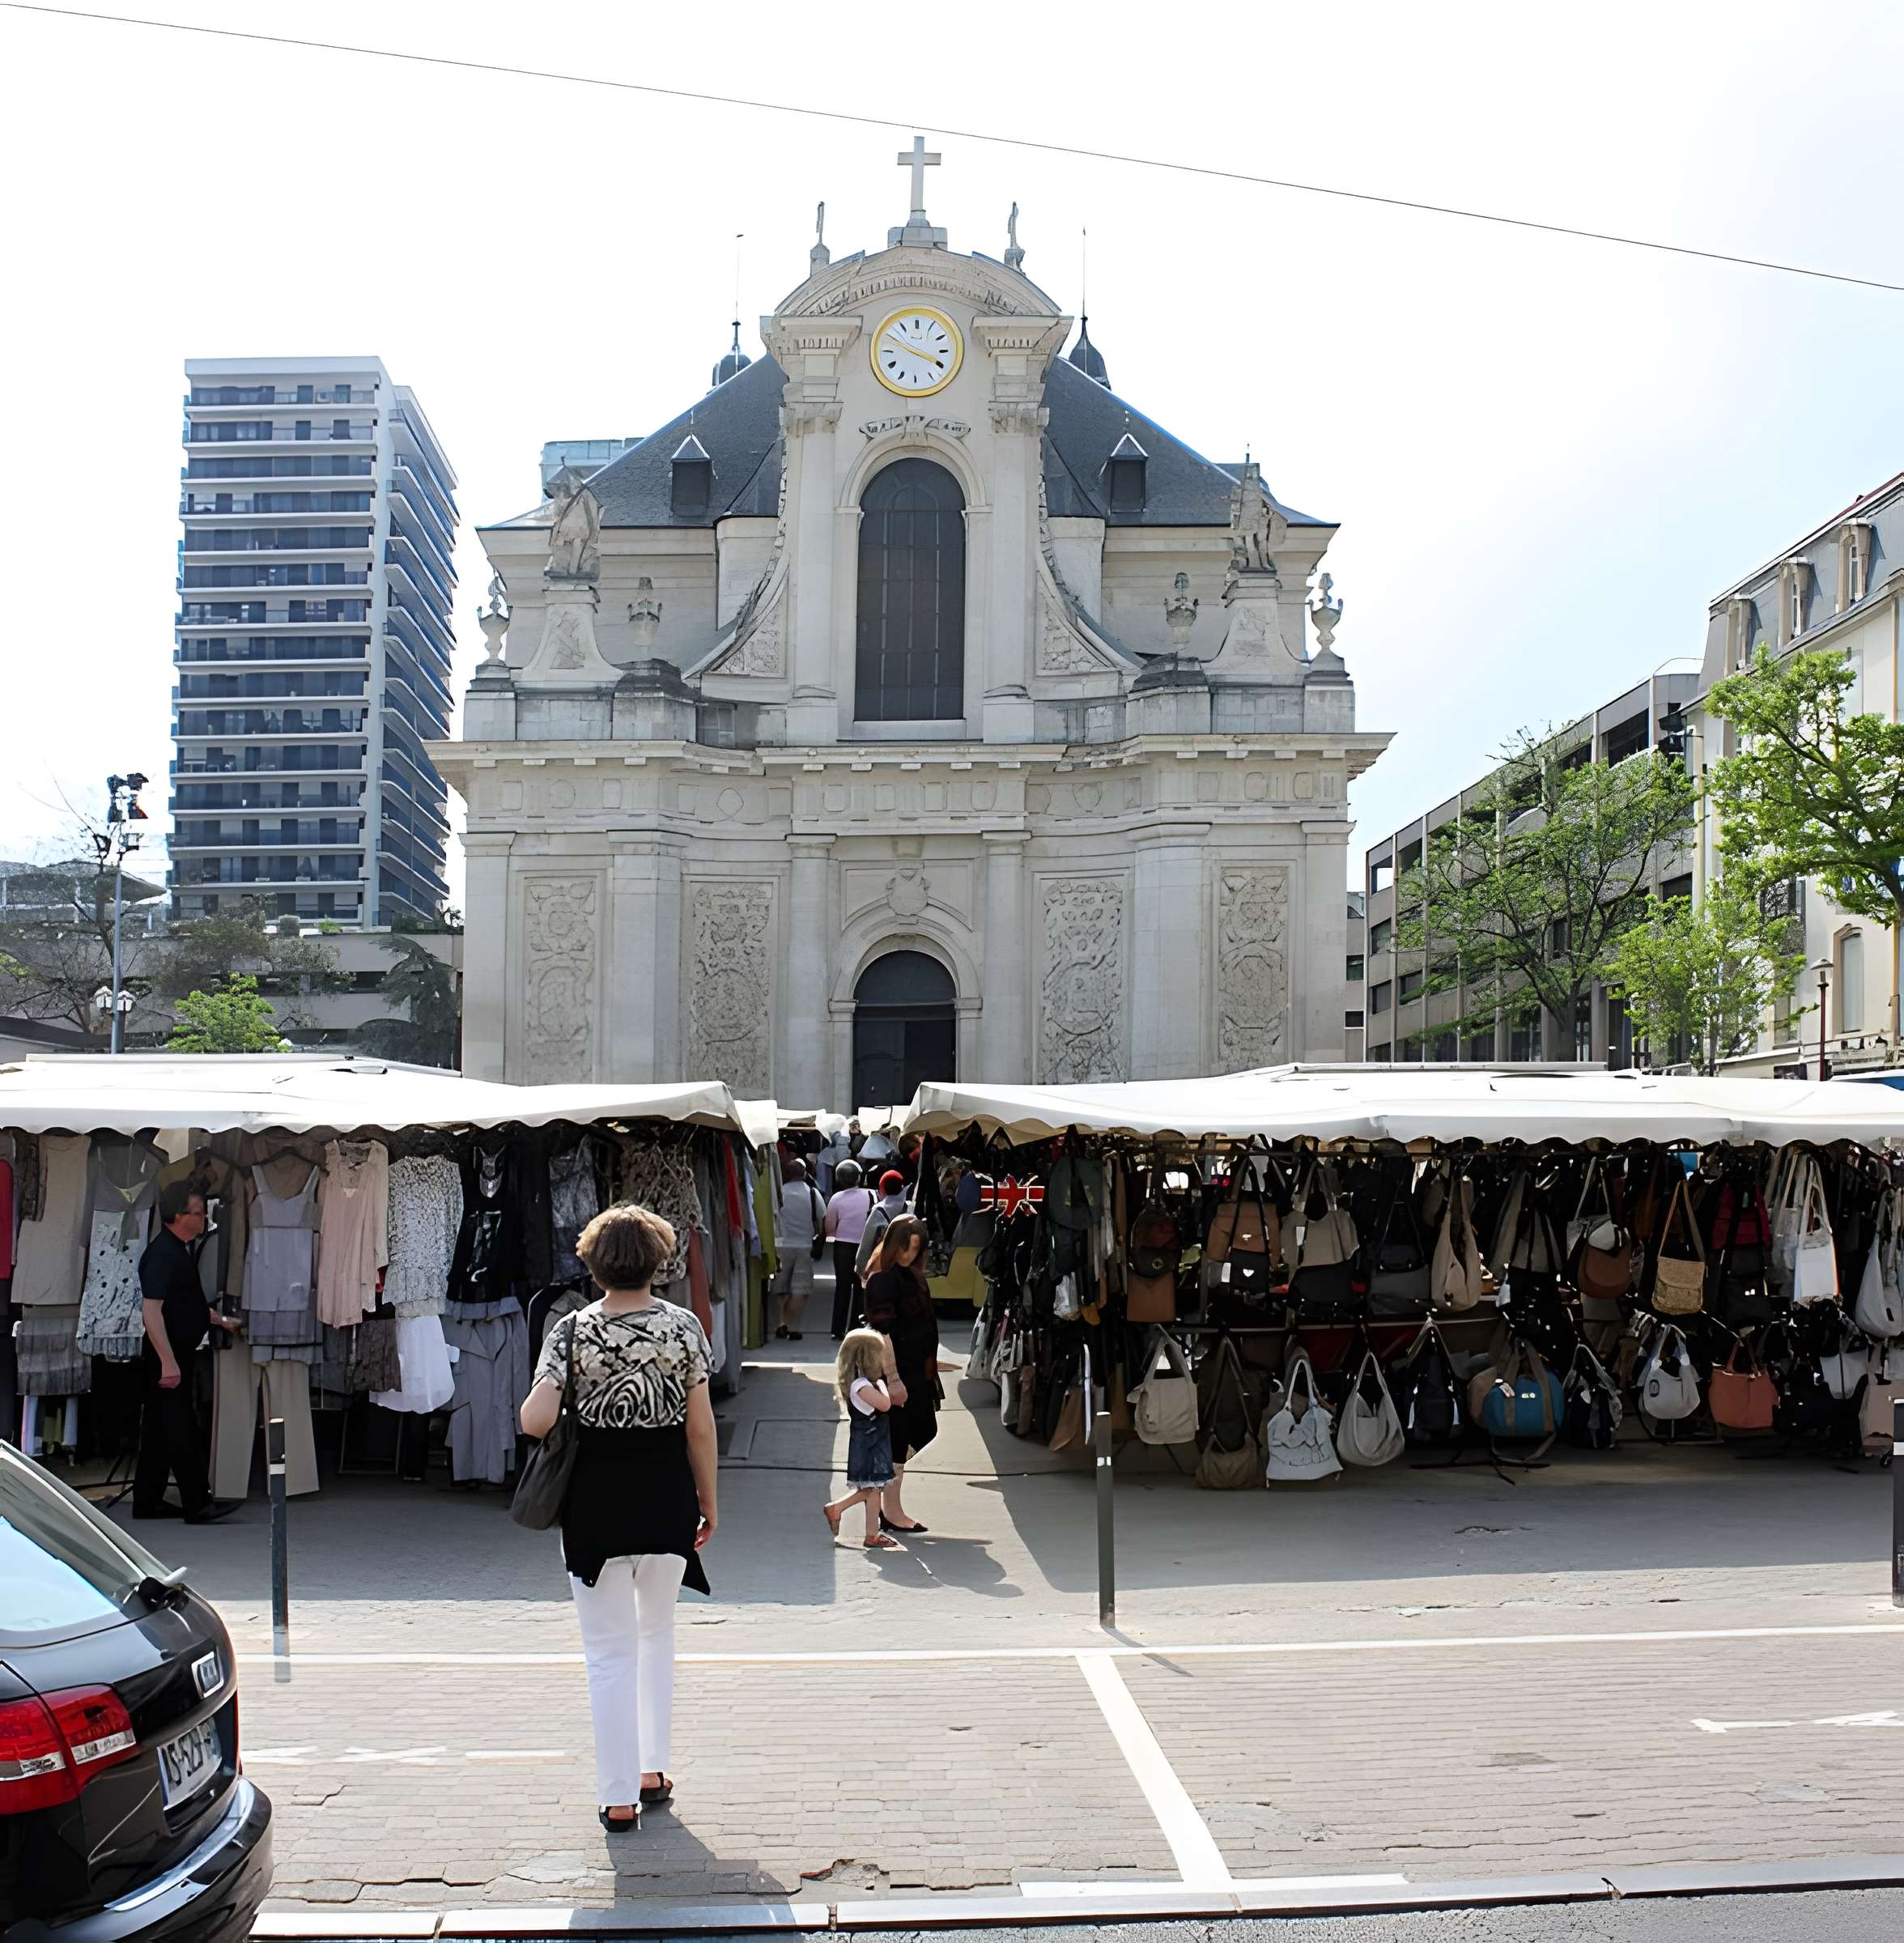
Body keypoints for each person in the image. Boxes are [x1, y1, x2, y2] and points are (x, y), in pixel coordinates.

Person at [519, 1203, 718, 1835]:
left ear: (594, 1262)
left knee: (608, 1652)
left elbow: (535, 1419)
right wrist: (708, 1501)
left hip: (595, 1501)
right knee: (657, 1634)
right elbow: (701, 1426)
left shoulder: (572, 1331)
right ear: (657, 1262)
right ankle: (652, 1770)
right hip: (666, 1493)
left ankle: (618, 1797)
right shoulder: (684, 1328)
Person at [135, 1182, 242, 1523]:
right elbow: (151, 1310)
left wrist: (221, 1321)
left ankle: (147, 1502)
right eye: (198, 1213)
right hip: (167, 1354)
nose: (202, 1219)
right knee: (181, 1428)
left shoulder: (178, 1249)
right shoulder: (162, 1254)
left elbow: (186, 1303)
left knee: (158, 1430)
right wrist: (168, 1361)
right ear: (178, 1216)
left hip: (174, 1351)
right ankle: (198, 1503)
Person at [859, 1214, 940, 1535]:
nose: (909, 1255)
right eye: (905, 1248)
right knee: (901, 1437)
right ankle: (889, 1510)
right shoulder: (883, 1278)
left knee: (914, 1432)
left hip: (918, 1370)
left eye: (916, 1249)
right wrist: (893, 1379)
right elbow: (884, 1333)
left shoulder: (910, 1275)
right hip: (900, 1371)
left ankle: (880, 1505)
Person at [822, 1328, 903, 1550]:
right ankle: (842, 1512)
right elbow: (885, 1404)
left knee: (872, 1489)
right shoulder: (862, 1386)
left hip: (872, 1443)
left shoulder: (862, 1384)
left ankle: (869, 1532)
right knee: (871, 1488)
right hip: (869, 1445)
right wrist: (884, 1385)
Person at [823, 1159, 877, 1341]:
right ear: (859, 1177)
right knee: (861, 1285)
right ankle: (856, 1325)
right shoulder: (872, 1194)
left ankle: (837, 1329)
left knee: (842, 1287)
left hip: (843, 1246)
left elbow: (829, 1226)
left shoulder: (836, 1199)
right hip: (867, 1244)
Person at [772, 1159, 824, 1341]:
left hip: (780, 1245)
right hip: (804, 1246)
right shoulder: (812, 1193)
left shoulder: (779, 1194)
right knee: (800, 1288)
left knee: (781, 1286)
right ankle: (793, 1327)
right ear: (804, 1174)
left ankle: (781, 1322)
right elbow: (822, 1218)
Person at [853, 1171, 912, 1284]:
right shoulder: (911, 1208)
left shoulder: (879, 1211)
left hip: (882, 1270)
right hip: (906, 1268)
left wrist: (862, 1270)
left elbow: (866, 1244)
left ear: (882, 1188)